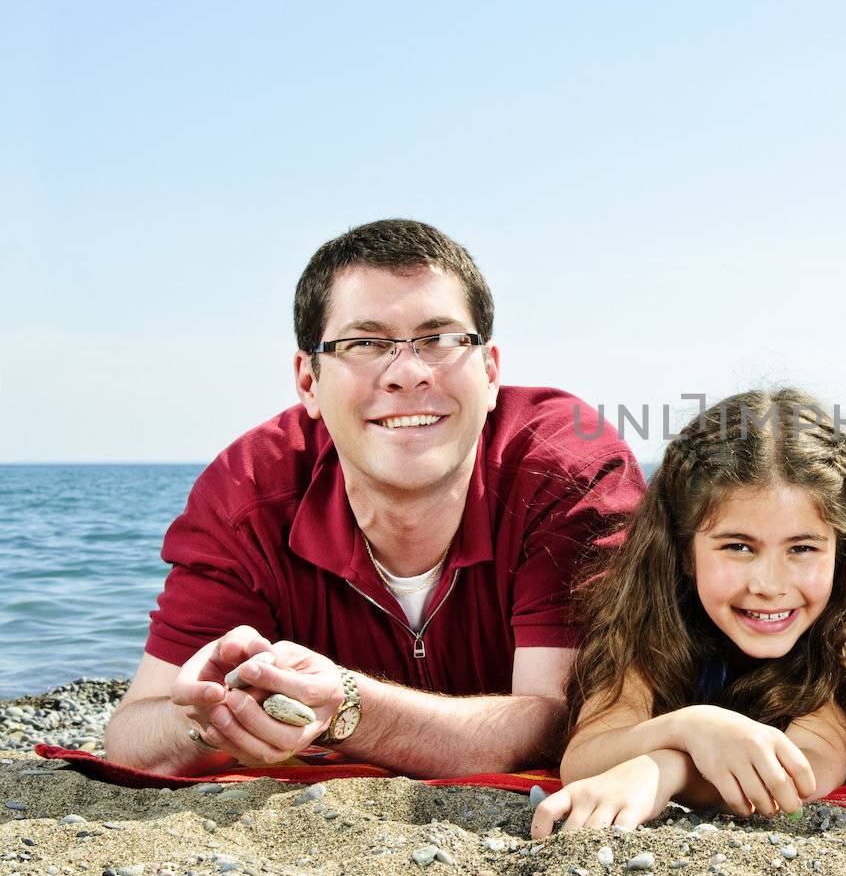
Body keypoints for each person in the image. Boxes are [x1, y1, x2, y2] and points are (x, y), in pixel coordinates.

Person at [103, 220, 644, 777]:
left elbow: (565, 722)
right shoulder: (247, 493)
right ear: (308, 381)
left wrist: (346, 708)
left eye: (440, 339)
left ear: (490, 372)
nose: (408, 374)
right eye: (365, 343)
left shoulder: (566, 466)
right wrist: (215, 714)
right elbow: (133, 736)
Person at [530, 389, 846, 837]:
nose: (770, 586)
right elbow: (584, 757)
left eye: (802, 548)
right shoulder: (650, 621)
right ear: (685, 551)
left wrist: (668, 769)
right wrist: (692, 727)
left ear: (841, 553)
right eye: (738, 547)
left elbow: (808, 772)